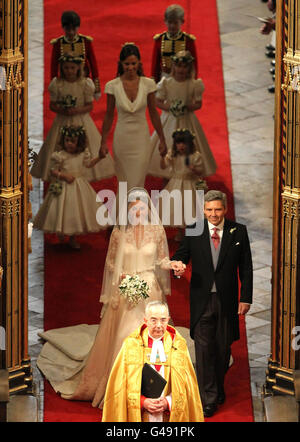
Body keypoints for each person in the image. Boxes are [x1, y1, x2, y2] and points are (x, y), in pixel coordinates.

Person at [36, 188, 183, 407]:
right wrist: (122, 277)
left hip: (151, 290)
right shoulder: (119, 234)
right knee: (126, 336)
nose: (139, 213)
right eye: (134, 210)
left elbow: (161, 259)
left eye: (142, 209)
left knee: (153, 339)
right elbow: (111, 263)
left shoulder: (156, 231)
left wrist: (172, 264)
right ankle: (123, 390)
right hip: (127, 291)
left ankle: (153, 387)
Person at [171, 190, 253, 417]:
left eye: (217, 209)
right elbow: (181, 255)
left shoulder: (239, 231)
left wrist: (245, 297)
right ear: (204, 210)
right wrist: (177, 266)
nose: (213, 214)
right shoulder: (194, 229)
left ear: (225, 209)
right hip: (201, 300)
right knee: (204, 349)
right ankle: (208, 398)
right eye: (209, 210)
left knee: (222, 348)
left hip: (227, 302)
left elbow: (246, 267)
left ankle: (216, 387)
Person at [102, 301, 204, 422]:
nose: (159, 325)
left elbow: (187, 386)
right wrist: (142, 401)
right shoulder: (131, 345)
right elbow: (119, 385)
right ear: (145, 320)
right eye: (153, 320)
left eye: (163, 320)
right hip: (140, 414)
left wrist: (168, 402)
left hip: (167, 414)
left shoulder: (178, 345)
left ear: (168, 320)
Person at [30, 54, 114, 183]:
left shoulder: (84, 84)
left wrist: (77, 110)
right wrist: (62, 110)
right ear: (62, 69)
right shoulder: (57, 84)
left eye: (72, 68)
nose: (69, 71)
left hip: (81, 119)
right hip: (62, 120)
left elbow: (89, 106)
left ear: (78, 68)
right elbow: (52, 105)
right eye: (66, 68)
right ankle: (58, 168)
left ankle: (80, 170)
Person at [99, 43, 167, 190]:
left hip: (141, 141)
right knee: (124, 184)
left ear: (139, 63)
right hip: (122, 141)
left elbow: (154, 113)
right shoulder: (113, 86)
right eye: (127, 64)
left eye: (133, 64)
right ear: (121, 64)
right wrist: (103, 142)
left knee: (137, 183)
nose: (130, 68)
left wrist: (162, 139)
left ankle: (137, 212)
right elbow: (109, 115)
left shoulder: (148, 84)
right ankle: (124, 212)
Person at [148, 50, 216, 180]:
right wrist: (170, 107)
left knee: (188, 149)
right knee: (168, 146)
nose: (181, 70)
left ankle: (187, 175)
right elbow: (158, 101)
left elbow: (198, 104)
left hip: (187, 120)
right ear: (173, 67)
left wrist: (186, 107)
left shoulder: (193, 84)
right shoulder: (167, 83)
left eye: (185, 67)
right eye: (178, 66)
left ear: (190, 68)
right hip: (169, 120)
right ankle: (167, 177)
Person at [33, 125, 103, 249]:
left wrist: (99, 157)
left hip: (78, 185)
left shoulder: (83, 154)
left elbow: (89, 164)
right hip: (64, 185)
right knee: (62, 209)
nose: (69, 144)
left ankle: (72, 237)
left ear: (79, 142)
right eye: (67, 140)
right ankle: (60, 229)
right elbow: (52, 171)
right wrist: (63, 175)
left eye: (73, 141)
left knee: (76, 211)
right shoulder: (60, 155)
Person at [159, 128, 204, 241]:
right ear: (175, 144)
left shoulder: (195, 156)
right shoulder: (173, 155)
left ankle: (191, 230)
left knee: (191, 207)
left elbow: (201, 171)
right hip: (176, 183)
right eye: (179, 143)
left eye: (184, 143)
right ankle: (179, 231)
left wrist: (194, 169)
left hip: (190, 183)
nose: (181, 146)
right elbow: (163, 166)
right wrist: (162, 156)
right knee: (177, 207)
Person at [50, 10, 101, 98]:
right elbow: (54, 65)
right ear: (63, 28)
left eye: (74, 29)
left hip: (83, 80)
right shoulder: (58, 43)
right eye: (68, 29)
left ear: (78, 27)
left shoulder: (85, 41)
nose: (71, 32)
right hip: (65, 81)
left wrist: (96, 86)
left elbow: (93, 63)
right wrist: (54, 85)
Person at [151, 4, 198, 83]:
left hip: (183, 78)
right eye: (169, 22)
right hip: (165, 77)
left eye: (175, 23)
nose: (172, 26)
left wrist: (193, 81)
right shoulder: (159, 40)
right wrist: (154, 82)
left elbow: (193, 64)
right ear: (165, 21)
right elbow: (155, 65)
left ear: (182, 22)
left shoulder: (188, 40)